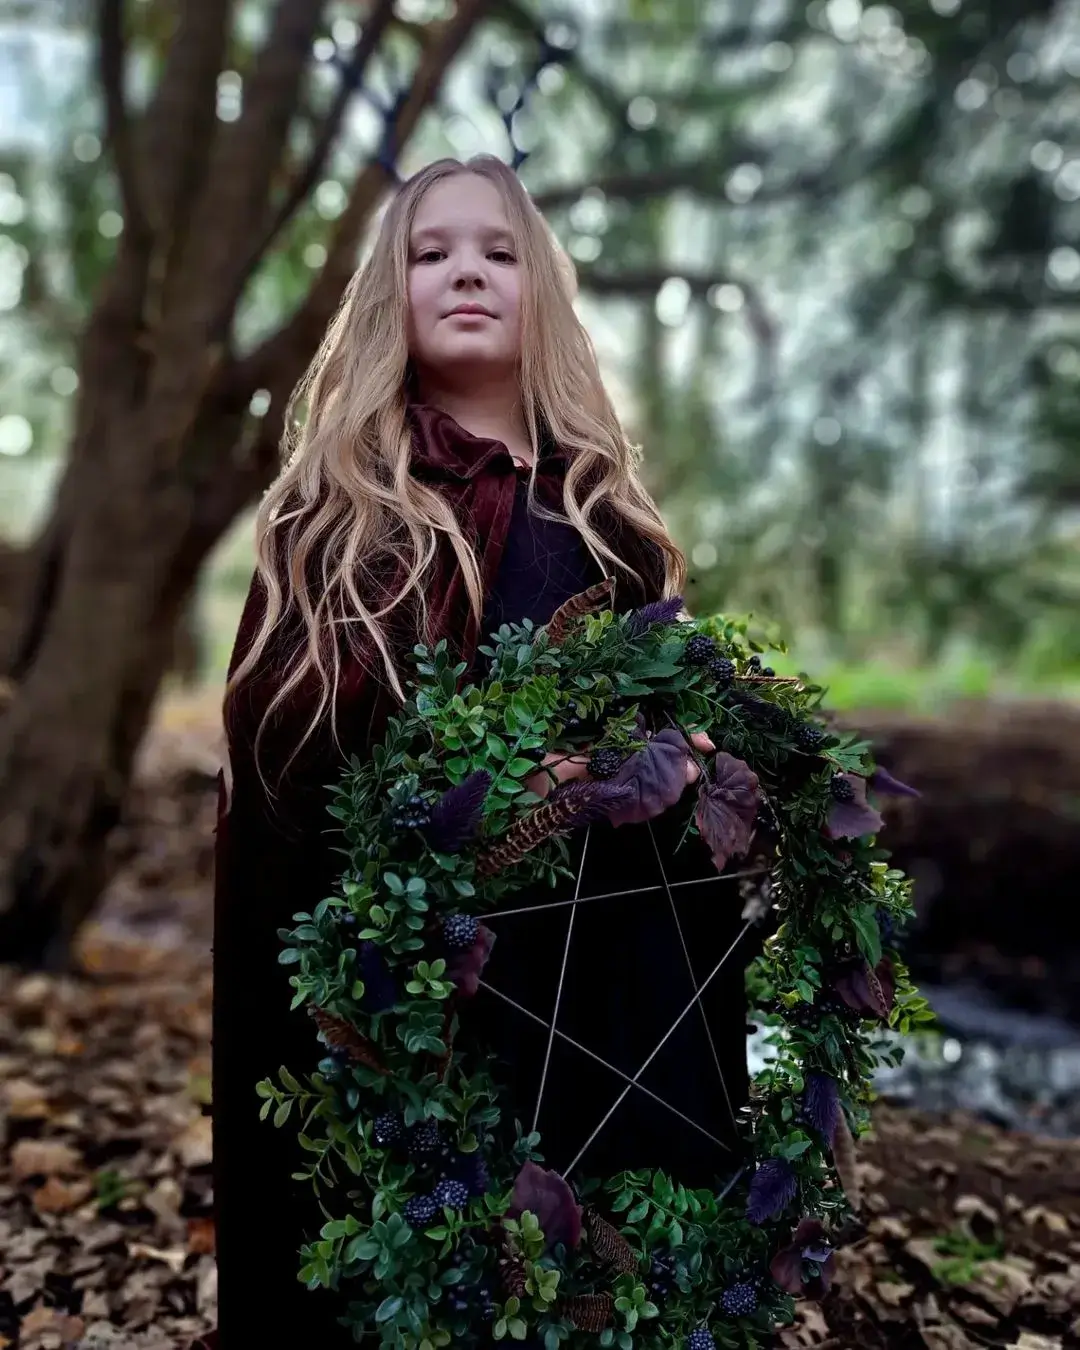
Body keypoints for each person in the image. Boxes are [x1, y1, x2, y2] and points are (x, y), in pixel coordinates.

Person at [211, 155, 754, 1346]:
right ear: (388, 295)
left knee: (572, 1248)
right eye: (432, 251)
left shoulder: (611, 524)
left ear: (543, 297)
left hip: (595, 974)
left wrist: (685, 764)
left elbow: (652, 750)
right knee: (420, 1252)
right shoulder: (342, 517)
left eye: (500, 252)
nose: (466, 270)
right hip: (423, 981)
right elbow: (284, 762)